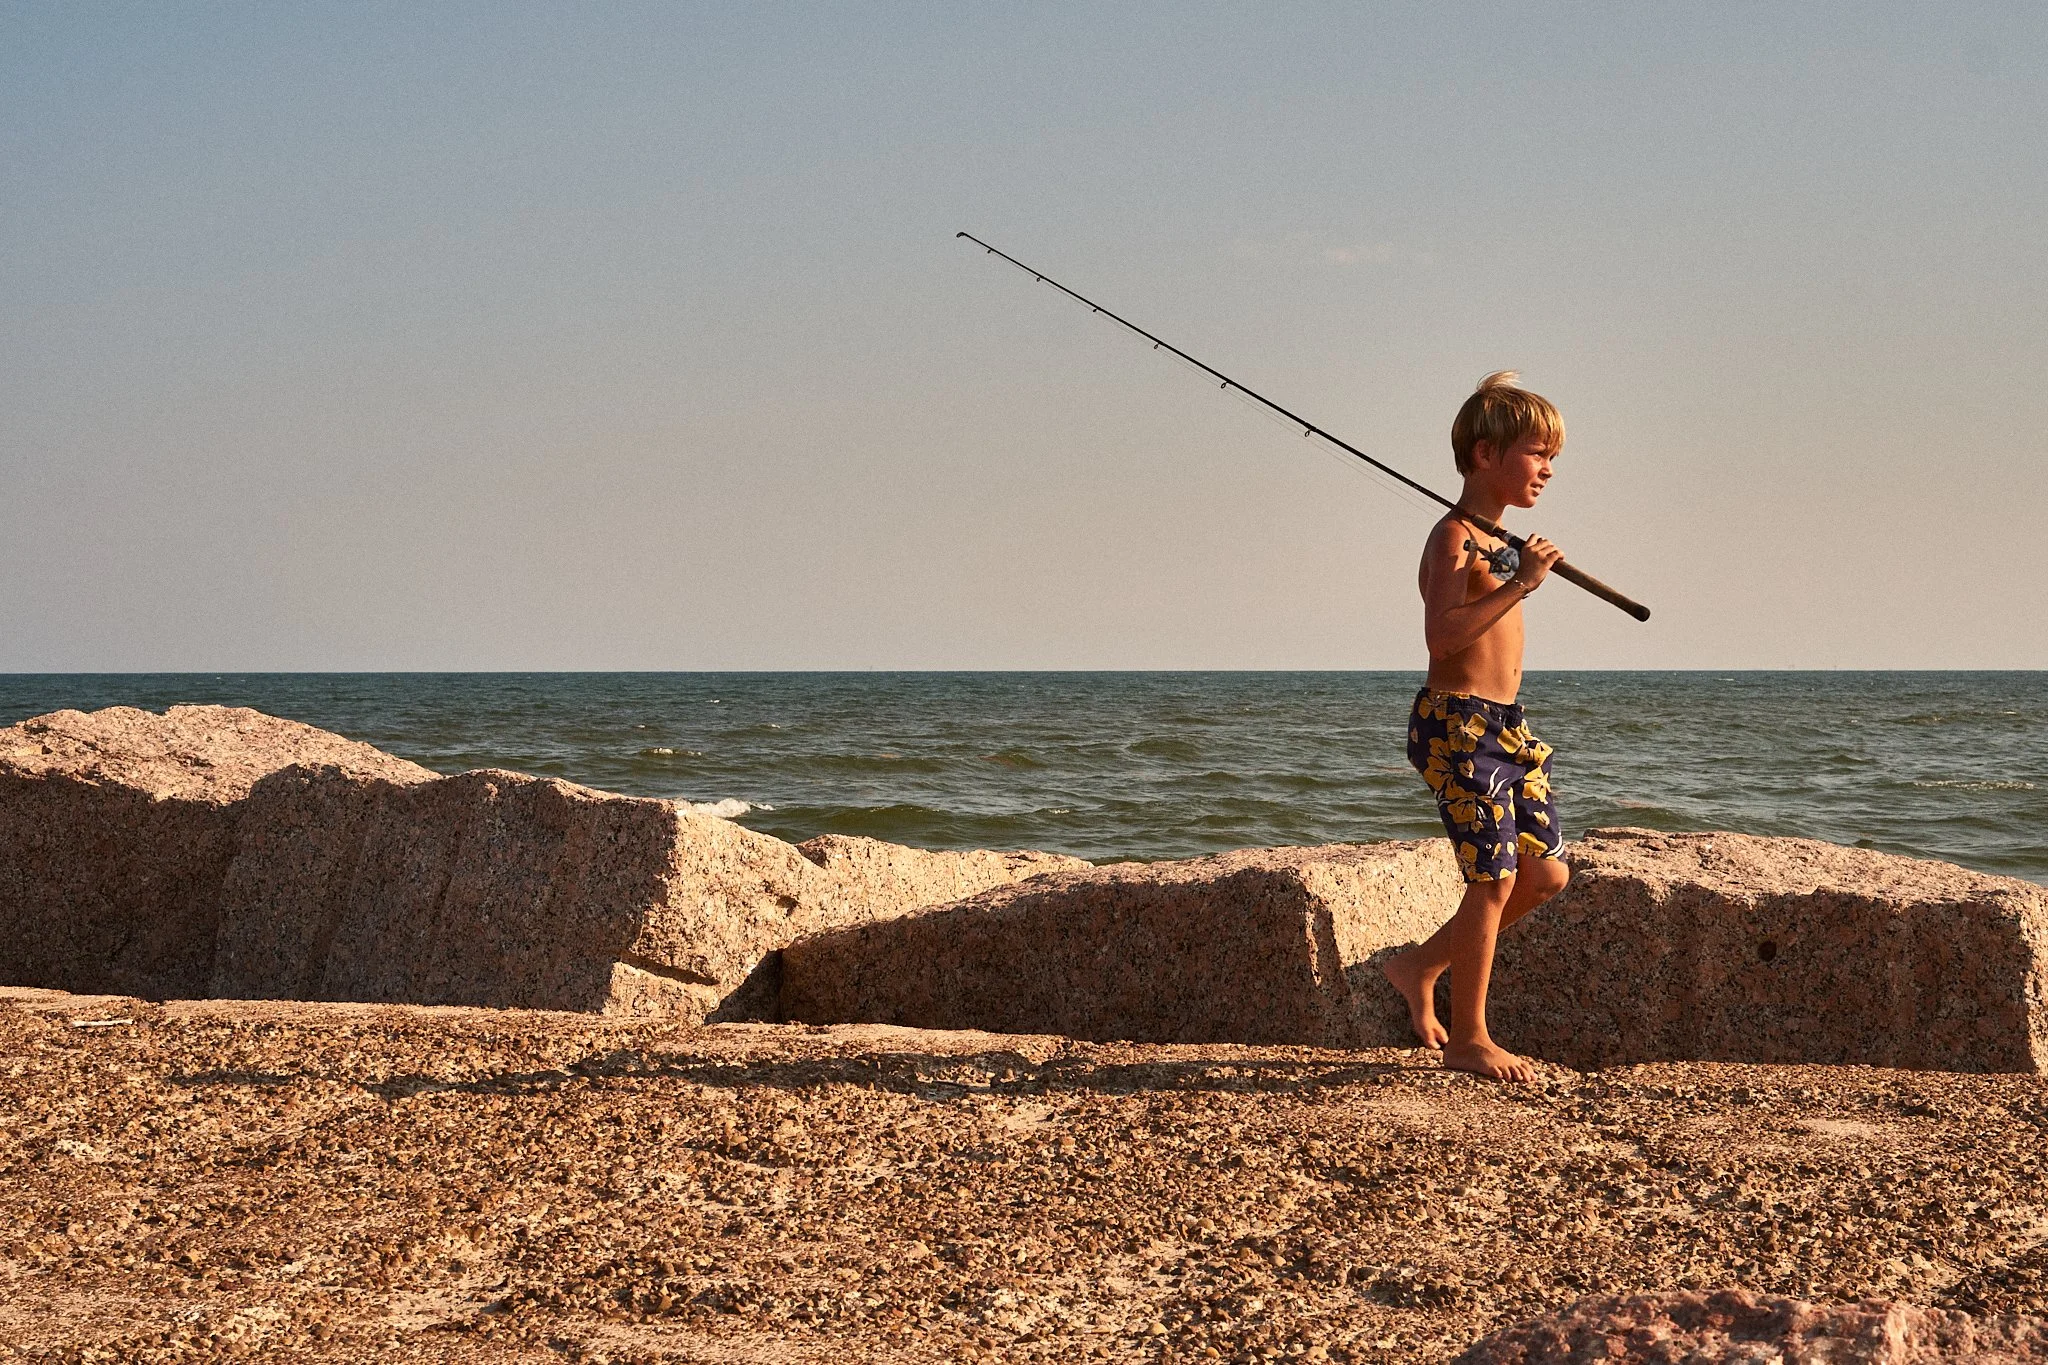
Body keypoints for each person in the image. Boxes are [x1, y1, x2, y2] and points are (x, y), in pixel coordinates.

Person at [1381, 371, 1571, 1083]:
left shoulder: (1497, 538)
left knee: (1546, 872)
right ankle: (1470, 1036)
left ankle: (1418, 965)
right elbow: (1442, 638)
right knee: (1491, 878)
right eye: (1534, 451)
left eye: (1552, 455)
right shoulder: (1453, 538)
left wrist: (1519, 568)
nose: (1547, 468)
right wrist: (1522, 584)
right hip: (1457, 725)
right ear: (1486, 454)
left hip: (1507, 726)